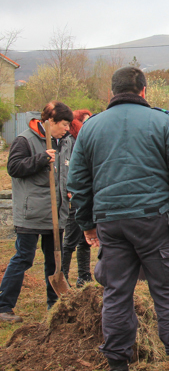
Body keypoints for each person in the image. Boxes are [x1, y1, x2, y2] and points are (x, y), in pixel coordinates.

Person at [67, 66, 169, 371]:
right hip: (154, 221)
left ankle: (118, 370)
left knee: (116, 293)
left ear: (111, 93)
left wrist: (88, 224)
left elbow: (77, 182)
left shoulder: (90, 128)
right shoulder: (162, 121)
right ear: (144, 91)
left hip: (110, 222)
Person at [0, 102, 73, 323]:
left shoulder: (67, 142)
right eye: (63, 124)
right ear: (50, 121)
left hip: (56, 214)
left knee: (55, 262)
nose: (67, 128)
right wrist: (41, 159)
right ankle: (3, 306)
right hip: (31, 213)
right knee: (24, 258)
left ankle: (56, 306)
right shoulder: (25, 140)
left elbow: (72, 169)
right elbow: (13, 168)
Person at [61, 109, 94, 288]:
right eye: (84, 121)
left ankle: (84, 275)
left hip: (85, 194)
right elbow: (69, 169)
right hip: (74, 195)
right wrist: (69, 188)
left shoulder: (84, 140)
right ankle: (63, 276)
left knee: (84, 239)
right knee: (71, 238)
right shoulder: (69, 142)